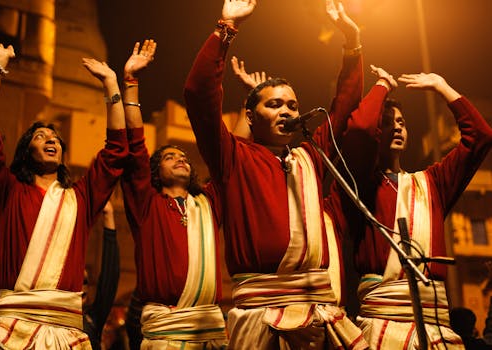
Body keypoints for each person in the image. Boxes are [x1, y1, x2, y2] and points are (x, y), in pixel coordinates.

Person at [184, 0, 369, 348]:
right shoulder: (234, 157)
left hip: (320, 313)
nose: (286, 110)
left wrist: (353, 42)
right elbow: (199, 95)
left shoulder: (311, 157)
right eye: (274, 104)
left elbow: (343, 107)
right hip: (261, 317)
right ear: (251, 117)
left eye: (292, 105)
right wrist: (226, 28)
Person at [0, 35, 128, 348]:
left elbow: (117, 150)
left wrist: (112, 85)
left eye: (54, 136)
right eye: (41, 136)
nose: (50, 138)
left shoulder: (81, 198)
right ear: (26, 151)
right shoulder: (8, 192)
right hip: (12, 331)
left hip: (66, 334)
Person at [343, 66, 492, 348]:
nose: (397, 126)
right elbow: (359, 129)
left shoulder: (431, 183)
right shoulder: (359, 184)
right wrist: (384, 84)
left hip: (434, 328)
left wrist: (442, 87)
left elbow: (480, 137)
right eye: (387, 122)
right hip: (381, 329)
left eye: (401, 121)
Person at [120, 39, 227, 349]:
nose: (181, 158)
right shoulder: (146, 203)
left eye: (183, 156)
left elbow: (228, 157)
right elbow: (135, 145)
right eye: (169, 156)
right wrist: (130, 82)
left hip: (210, 330)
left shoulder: (208, 204)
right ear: (155, 171)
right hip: (165, 331)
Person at [83, 200, 120, 349]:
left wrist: (108, 216)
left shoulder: (92, 318)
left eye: (85, 281)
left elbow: (109, 279)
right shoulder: (53, 319)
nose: (81, 287)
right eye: (76, 282)